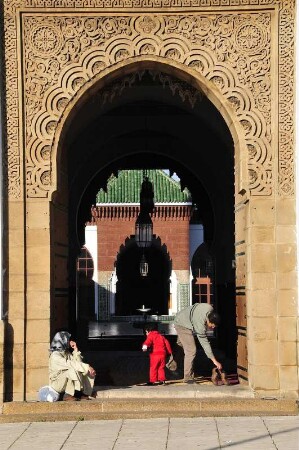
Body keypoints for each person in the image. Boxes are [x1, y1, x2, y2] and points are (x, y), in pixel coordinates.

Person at [174, 303, 222, 384]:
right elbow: (204, 343)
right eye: (212, 325)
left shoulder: (209, 308)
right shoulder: (200, 324)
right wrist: (214, 360)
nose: (212, 327)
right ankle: (188, 378)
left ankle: (171, 367)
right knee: (191, 350)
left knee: (181, 346)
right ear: (208, 320)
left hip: (183, 318)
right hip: (182, 325)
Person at [48, 330, 96, 401]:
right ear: (62, 340)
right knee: (73, 370)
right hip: (57, 383)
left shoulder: (66, 352)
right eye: (67, 340)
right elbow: (71, 364)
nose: (69, 341)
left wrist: (75, 349)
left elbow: (78, 363)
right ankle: (68, 395)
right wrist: (87, 366)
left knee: (83, 370)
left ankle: (82, 392)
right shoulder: (55, 355)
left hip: (65, 380)